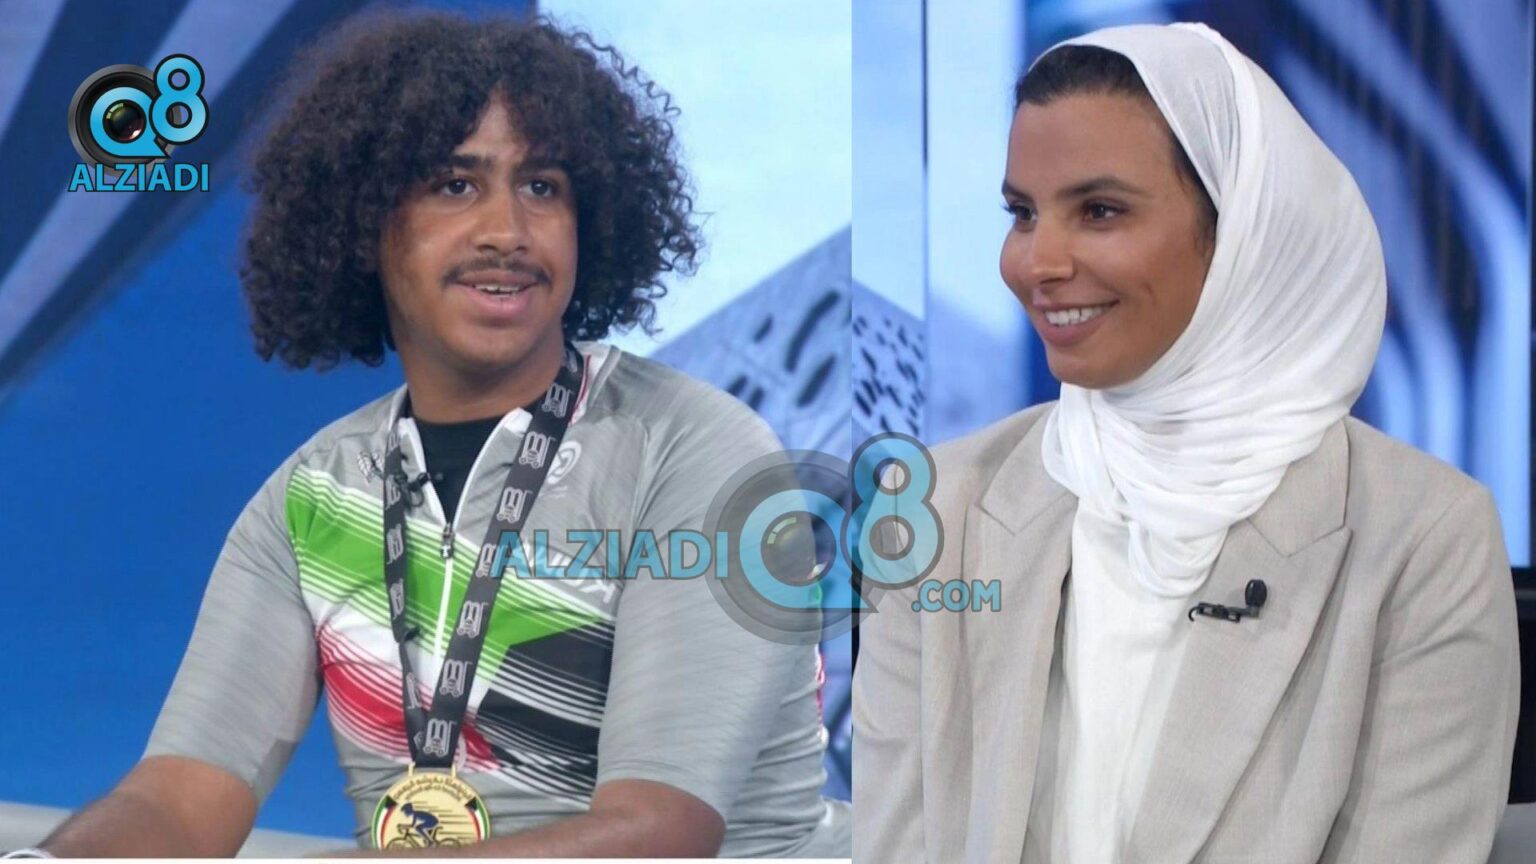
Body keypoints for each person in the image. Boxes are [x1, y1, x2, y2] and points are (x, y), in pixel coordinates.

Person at [29, 12, 849, 859]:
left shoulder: (695, 448)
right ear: (361, 220)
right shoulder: (312, 497)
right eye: (456, 185)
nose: (507, 231)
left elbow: (658, 834)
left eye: (543, 187)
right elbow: (177, 797)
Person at [853, 22, 1518, 864]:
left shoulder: (1424, 538)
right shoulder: (934, 509)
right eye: (1022, 213)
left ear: (1241, 231)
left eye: (1099, 211)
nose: (1036, 262)